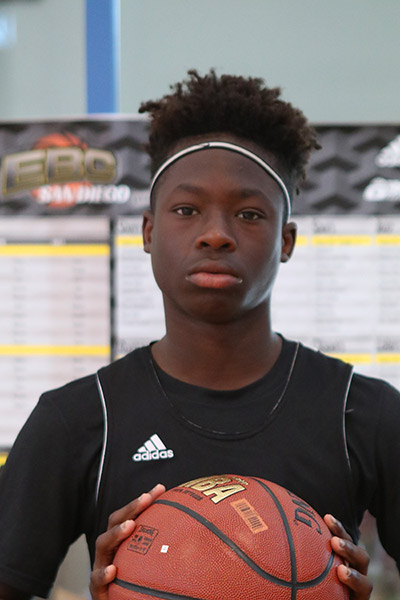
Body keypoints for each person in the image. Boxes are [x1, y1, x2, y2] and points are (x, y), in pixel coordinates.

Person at [1, 69, 398, 600]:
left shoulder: (364, 413)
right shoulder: (77, 419)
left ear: (286, 241)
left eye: (249, 214)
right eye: (187, 210)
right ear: (148, 231)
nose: (216, 235)